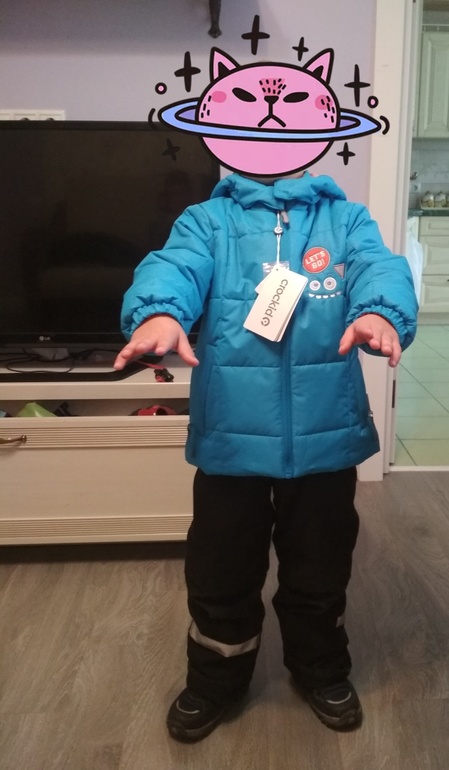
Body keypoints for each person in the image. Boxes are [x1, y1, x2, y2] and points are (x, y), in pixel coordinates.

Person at [114, 170, 418, 742]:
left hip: (326, 437)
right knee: (221, 570)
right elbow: (173, 267)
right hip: (232, 439)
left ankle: (320, 668)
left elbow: (380, 267)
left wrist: (379, 310)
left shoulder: (345, 219)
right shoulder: (207, 220)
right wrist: (159, 312)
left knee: (321, 566)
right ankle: (216, 681)